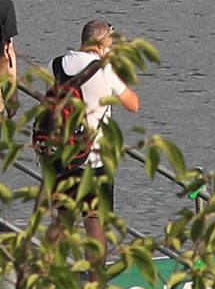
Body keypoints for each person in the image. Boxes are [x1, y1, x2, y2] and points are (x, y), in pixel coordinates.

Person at [39, 21, 142, 227]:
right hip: (94, 157)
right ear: (102, 44)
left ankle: (50, 259)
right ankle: (96, 261)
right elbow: (133, 105)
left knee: (62, 218)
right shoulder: (105, 70)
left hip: (63, 154)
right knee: (95, 223)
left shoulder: (55, 65)